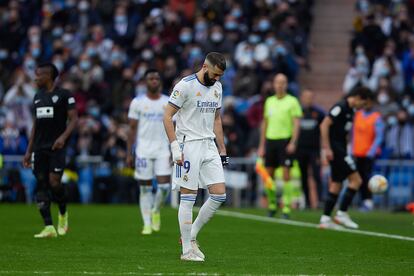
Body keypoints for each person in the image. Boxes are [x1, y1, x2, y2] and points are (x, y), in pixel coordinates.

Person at [163, 52, 228, 262]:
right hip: (188, 145)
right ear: (205, 67)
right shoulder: (185, 85)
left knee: (219, 195)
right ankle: (187, 251)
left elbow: (217, 119)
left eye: (220, 76)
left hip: (209, 145)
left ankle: (190, 237)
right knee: (188, 197)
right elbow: (167, 115)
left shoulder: (217, 87)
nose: (217, 79)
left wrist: (222, 148)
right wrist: (174, 147)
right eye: (215, 74)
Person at [23, 63, 78, 238]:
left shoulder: (64, 95)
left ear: (48, 76)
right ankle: (48, 227)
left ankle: (62, 212)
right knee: (41, 184)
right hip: (39, 148)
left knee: (54, 183)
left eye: (38, 75)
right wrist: (28, 150)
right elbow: (35, 126)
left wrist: (63, 137)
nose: (35, 78)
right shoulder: (37, 96)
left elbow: (74, 119)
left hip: (56, 148)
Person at [319, 87, 372, 229]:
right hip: (336, 151)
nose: (363, 107)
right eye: (364, 103)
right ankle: (342, 213)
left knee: (336, 183)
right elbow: (324, 125)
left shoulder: (351, 110)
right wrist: (327, 148)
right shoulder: (340, 107)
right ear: (358, 97)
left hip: (341, 149)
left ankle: (325, 219)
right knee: (356, 180)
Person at [126, 69, 171, 235]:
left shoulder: (168, 102)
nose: (154, 81)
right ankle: (146, 224)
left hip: (163, 149)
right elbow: (131, 129)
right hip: (143, 150)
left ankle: (156, 210)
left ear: (160, 82)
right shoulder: (137, 102)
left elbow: (174, 127)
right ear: (145, 82)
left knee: (165, 186)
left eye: (156, 78)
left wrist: (175, 148)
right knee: (144, 188)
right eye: (150, 78)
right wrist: (129, 153)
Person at [257, 73, 302, 218]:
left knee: (286, 174)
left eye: (283, 82)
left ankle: (286, 206)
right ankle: (272, 204)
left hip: (285, 141)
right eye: (277, 82)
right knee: (268, 175)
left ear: (286, 84)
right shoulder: (269, 101)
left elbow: (296, 124)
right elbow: (265, 123)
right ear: (274, 84)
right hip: (270, 141)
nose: (280, 85)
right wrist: (262, 145)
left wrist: (293, 142)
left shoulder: (292, 101)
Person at [352, 93, 384, 211]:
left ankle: (368, 201)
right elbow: (353, 134)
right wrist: (351, 149)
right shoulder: (358, 115)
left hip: (368, 154)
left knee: (366, 178)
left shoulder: (376, 117)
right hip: (356, 152)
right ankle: (361, 200)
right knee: (357, 178)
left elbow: (379, 136)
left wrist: (371, 151)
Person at [297, 90, 325, 208]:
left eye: (310, 97)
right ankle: (307, 201)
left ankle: (319, 201)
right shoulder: (298, 112)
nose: (308, 99)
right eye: (305, 97)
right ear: (302, 98)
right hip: (301, 149)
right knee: (303, 175)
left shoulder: (319, 113)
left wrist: (323, 149)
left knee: (316, 175)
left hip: (314, 150)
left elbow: (324, 131)